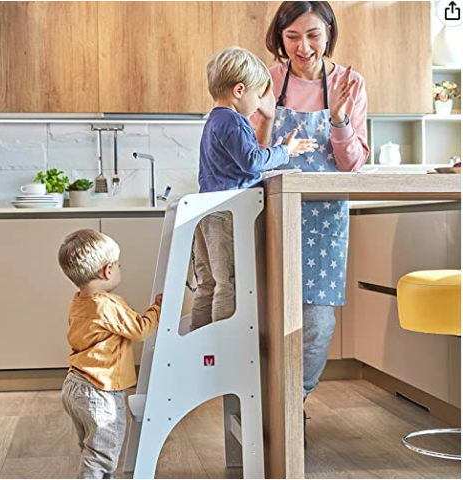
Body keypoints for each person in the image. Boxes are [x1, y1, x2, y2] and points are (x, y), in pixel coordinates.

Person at [253, 1, 369, 404]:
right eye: (292, 36)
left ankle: (295, 402)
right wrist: (267, 119)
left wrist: (338, 118)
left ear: (329, 33)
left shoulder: (349, 84)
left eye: (313, 35)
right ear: (280, 38)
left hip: (325, 219)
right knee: (266, 317)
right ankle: (266, 406)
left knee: (317, 322)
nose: (303, 47)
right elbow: (252, 154)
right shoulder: (267, 80)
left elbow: (351, 164)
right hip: (271, 214)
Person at [191, 46, 318, 331]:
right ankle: (223, 345)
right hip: (226, 214)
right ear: (239, 90)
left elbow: (241, 162)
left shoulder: (215, 120)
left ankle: (200, 345)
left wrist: (274, 145)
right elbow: (252, 162)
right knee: (229, 283)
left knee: (208, 284)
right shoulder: (235, 122)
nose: (260, 103)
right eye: (258, 95)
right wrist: (285, 151)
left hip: (206, 212)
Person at [58, 229, 162, 479]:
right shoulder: (107, 304)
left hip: (75, 386)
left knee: (92, 449)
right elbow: (140, 329)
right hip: (99, 391)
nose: (119, 268)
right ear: (107, 271)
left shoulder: (79, 301)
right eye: (118, 264)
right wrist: (158, 308)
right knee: (102, 454)